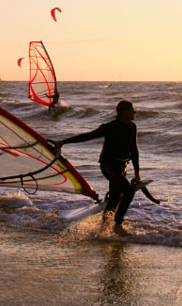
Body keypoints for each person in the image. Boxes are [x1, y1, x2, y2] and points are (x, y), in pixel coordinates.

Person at [53, 100, 140, 236]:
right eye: (132, 110)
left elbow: (134, 150)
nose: (135, 112)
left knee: (115, 197)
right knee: (128, 191)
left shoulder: (132, 127)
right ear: (124, 112)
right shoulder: (109, 127)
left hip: (123, 166)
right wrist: (63, 142)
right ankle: (117, 225)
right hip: (108, 165)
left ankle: (104, 230)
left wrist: (137, 172)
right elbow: (87, 136)